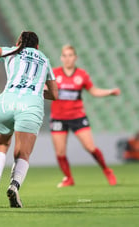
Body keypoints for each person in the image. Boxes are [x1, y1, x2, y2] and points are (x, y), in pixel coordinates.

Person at [0, 31, 58, 208]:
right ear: (37, 46)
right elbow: (54, 94)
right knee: (23, 153)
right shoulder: (44, 60)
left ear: (19, 42)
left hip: (6, 102)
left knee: (1, 145)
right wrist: (36, 90)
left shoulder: (12, 51)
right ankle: (14, 187)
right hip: (30, 105)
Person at [50, 44, 120, 188]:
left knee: (90, 147)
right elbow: (47, 89)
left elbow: (93, 91)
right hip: (58, 117)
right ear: (61, 58)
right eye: (65, 56)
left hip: (77, 117)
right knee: (60, 151)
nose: (68, 59)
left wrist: (110, 92)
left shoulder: (81, 75)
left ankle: (107, 170)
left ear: (75, 57)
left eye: (70, 55)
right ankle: (68, 178)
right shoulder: (54, 73)